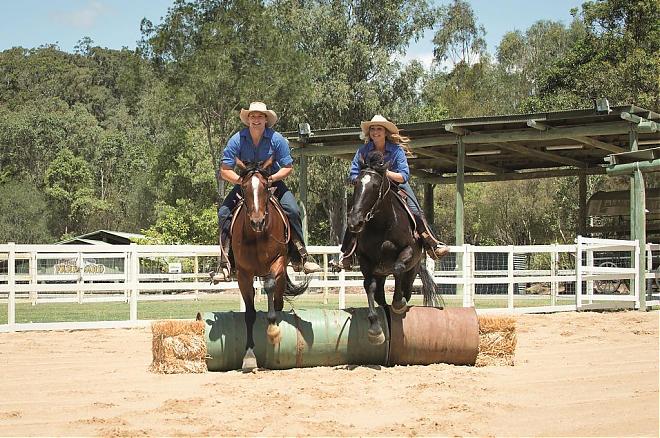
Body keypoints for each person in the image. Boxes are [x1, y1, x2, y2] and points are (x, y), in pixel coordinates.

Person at [215, 102, 321, 279]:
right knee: (223, 213)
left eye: (260, 116)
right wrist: (242, 181)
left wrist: (270, 179)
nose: (256, 120)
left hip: (272, 183)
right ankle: (225, 262)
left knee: (293, 211)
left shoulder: (276, 139)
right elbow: (225, 170)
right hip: (247, 185)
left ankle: (301, 255)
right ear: (248, 120)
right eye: (253, 116)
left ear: (266, 120)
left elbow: (288, 167)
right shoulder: (237, 139)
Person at [337, 114, 449, 270]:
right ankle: (346, 254)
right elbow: (354, 173)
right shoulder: (362, 151)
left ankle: (431, 244)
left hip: (396, 185)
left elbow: (404, 175)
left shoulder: (396, 150)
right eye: (373, 129)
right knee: (355, 212)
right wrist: (361, 180)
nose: (376, 132)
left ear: (385, 132)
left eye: (379, 129)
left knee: (415, 209)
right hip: (370, 187)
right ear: (369, 133)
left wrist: (385, 173)